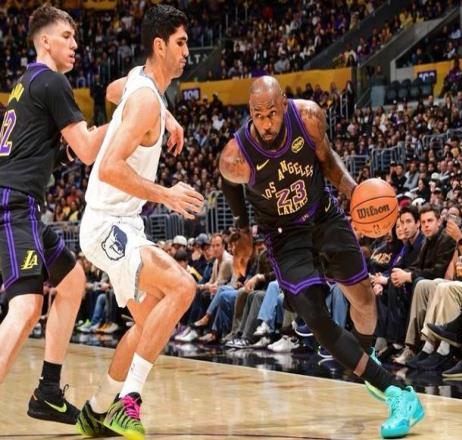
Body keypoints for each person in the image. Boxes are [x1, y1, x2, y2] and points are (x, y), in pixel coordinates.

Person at [219, 76, 424, 438]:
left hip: (324, 215)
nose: (266, 123)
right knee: (314, 314)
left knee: (363, 299)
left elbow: (328, 161)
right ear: (250, 112)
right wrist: (244, 232)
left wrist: (356, 195)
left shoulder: (308, 117)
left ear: (284, 104)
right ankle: (398, 393)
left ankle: (365, 361)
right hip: (285, 236)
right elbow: (227, 182)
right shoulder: (236, 156)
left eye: (272, 113)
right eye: (258, 115)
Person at [75, 5, 204, 439]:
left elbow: (115, 91)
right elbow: (110, 166)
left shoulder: (139, 82)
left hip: (121, 222)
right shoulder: (147, 97)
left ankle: (96, 410)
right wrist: (167, 194)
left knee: (151, 325)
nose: (187, 52)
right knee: (182, 287)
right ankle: (128, 403)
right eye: (181, 43)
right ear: (160, 45)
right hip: (107, 224)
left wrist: (164, 114)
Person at [0, 5, 111, 424]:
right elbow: (87, 150)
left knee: (72, 281)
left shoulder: (26, 82)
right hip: (13, 204)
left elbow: (51, 152)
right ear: (44, 41)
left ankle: (48, 391)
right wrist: (128, 118)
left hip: (22, 204)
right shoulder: (52, 80)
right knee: (26, 306)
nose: (75, 44)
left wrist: (67, 151)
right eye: (67, 36)